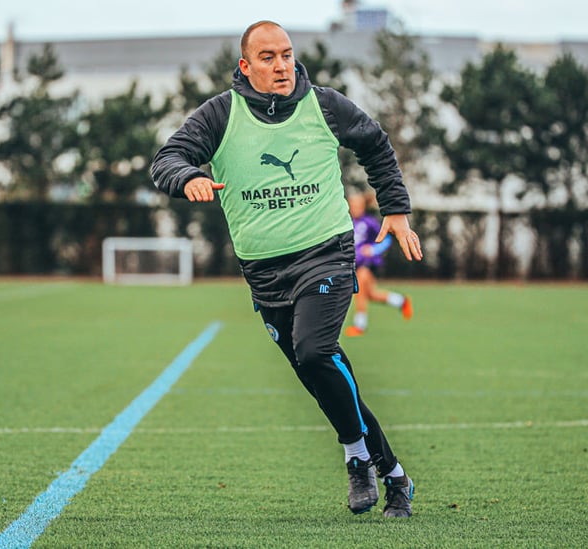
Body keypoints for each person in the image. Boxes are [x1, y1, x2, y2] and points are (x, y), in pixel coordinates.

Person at [151, 20, 423, 517]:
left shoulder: (323, 103)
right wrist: (186, 175)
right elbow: (167, 158)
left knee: (315, 350)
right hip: (264, 273)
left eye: (287, 54)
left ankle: (358, 459)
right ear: (246, 65)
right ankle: (395, 476)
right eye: (269, 57)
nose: (281, 66)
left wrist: (396, 208)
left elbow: (376, 146)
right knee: (320, 375)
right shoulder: (219, 114)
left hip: (326, 253)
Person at [343, 191, 413, 337]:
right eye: (353, 205)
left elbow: (386, 240)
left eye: (358, 205)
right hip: (354, 264)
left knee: (360, 290)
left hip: (369, 264)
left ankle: (359, 325)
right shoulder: (346, 222)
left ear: (363, 207)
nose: (355, 208)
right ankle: (401, 301)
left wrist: (373, 249)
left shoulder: (370, 222)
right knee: (371, 294)